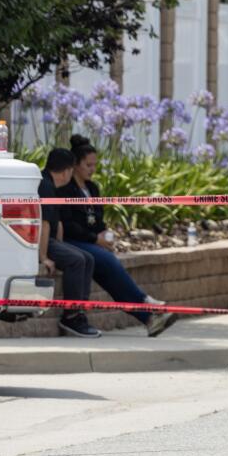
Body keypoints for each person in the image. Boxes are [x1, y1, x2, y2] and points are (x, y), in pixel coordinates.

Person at [59, 136, 177, 338]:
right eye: (88, 164)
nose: (92, 169)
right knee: (107, 261)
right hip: (74, 242)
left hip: (93, 243)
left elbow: (99, 220)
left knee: (110, 275)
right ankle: (144, 301)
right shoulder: (65, 189)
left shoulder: (93, 189)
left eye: (95, 164)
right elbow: (68, 225)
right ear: (76, 165)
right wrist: (95, 239)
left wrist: (104, 234)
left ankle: (149, 319)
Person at [38, 148, 99, 338]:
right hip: (43, 241)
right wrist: (43, 257)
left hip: (52, 240)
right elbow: (45, 224)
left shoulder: (51, 185)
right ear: (66, 171)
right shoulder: (45, 186)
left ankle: (80, 310)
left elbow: (58, 222)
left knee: (88, 258)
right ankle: (71, 316)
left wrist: (62, 245)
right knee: (77, 260)